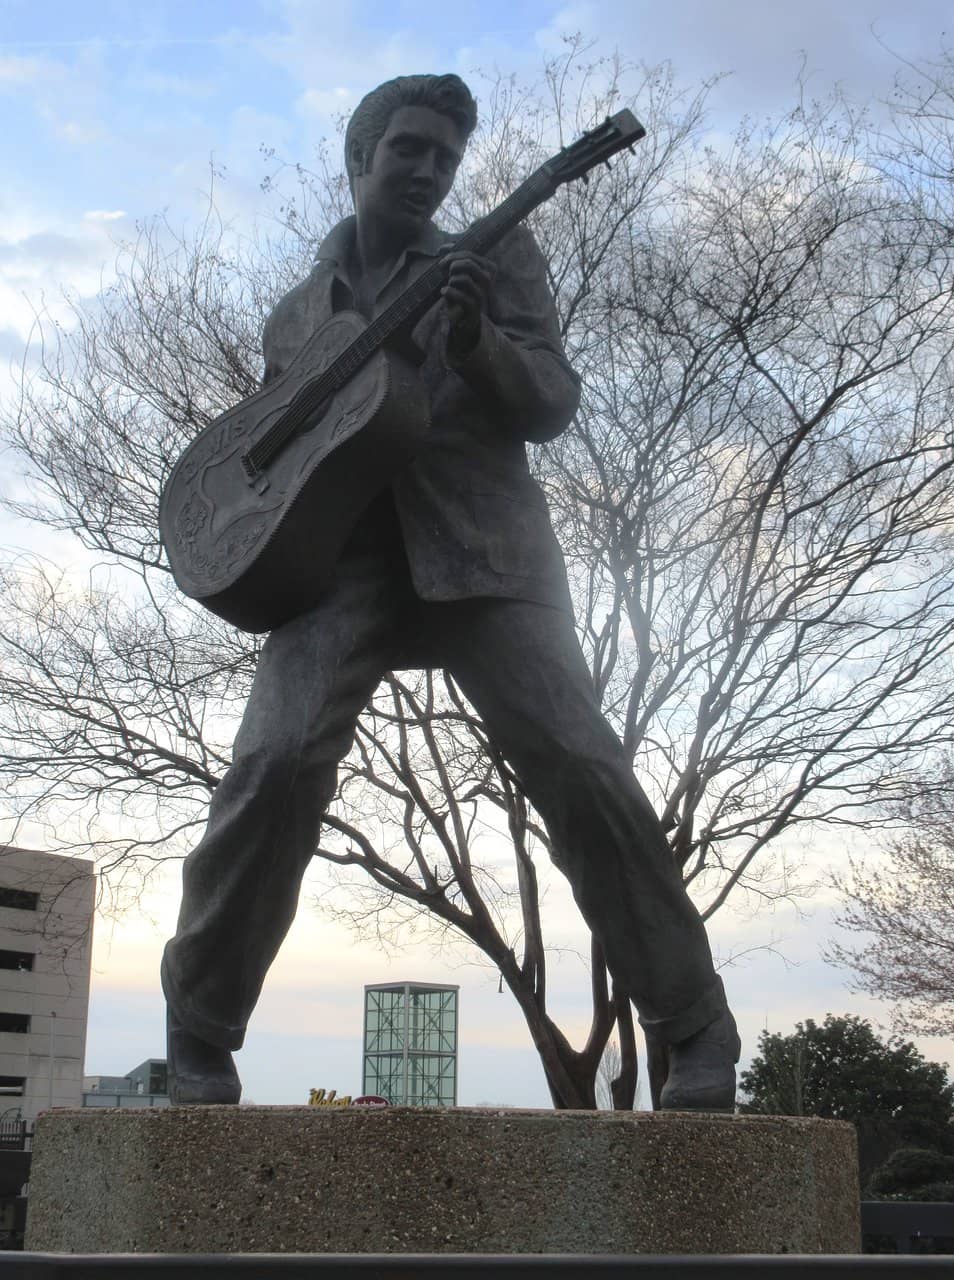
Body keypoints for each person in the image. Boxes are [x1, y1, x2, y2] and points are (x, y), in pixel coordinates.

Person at [162, 73, 740, 1110]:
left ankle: (692, 1026)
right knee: (274, 761)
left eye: (446, 157)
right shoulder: (297, 315)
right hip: (337, 560)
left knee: (580, 762)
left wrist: (476, 345)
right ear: (361, 158)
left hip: (484, 552)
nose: (430, 169)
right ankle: (199, 1030)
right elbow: (275, 447)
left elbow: (552, 402)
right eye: (411, 150)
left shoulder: (495, 254)